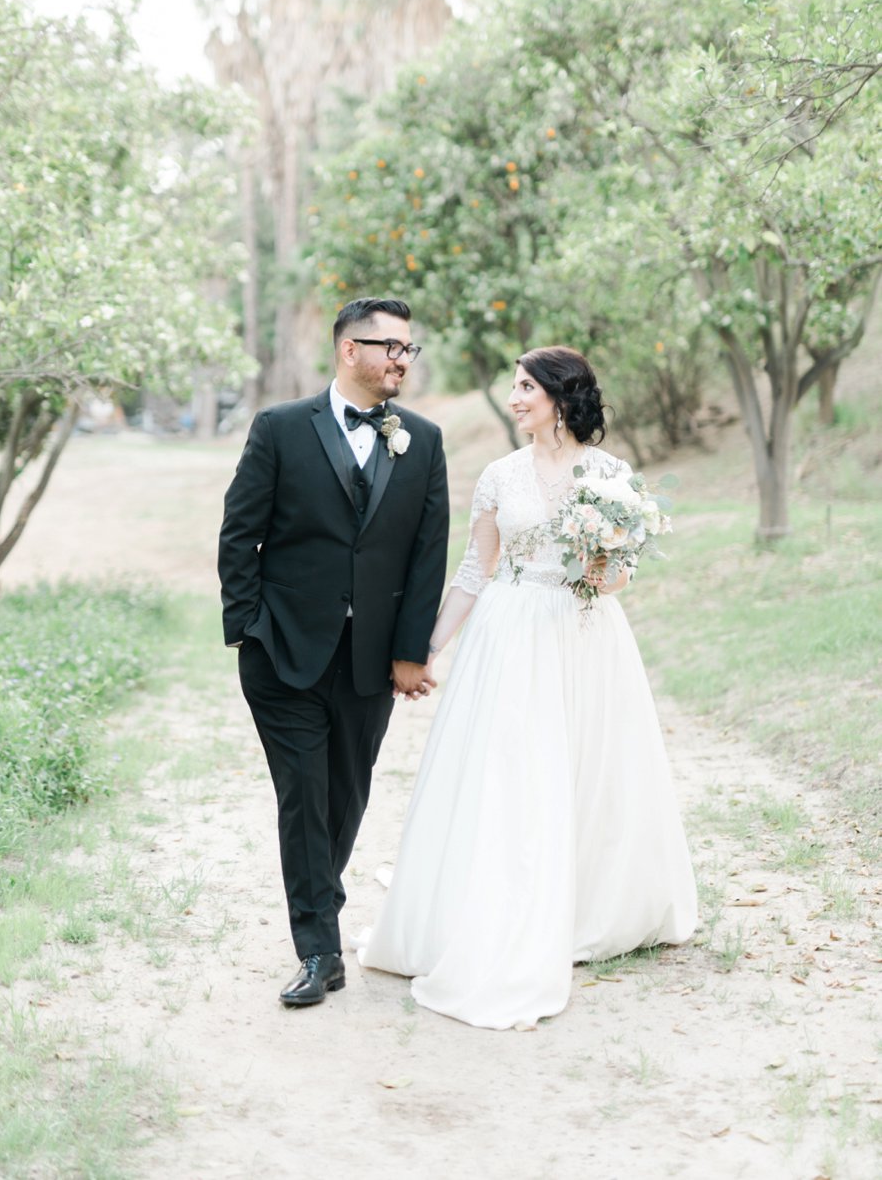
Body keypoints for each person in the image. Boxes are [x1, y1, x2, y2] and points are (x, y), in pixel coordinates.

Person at [357, 346, 697, 1030]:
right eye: (512, 386)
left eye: (523, 387)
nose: (513, 398)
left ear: (560, 396)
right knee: (515, 773)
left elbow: (619, 572)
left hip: (584, 634)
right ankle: (509, 903)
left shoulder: (609, 475)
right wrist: (422, 649)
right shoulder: (498, 476)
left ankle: (589, 904)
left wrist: (605, 569)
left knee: (589, 766)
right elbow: (474, 573)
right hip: (511, 638)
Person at [218, 297, 449, 1008]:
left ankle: (322, 898)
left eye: (409, 349)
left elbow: (426, 554)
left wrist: (412, 651)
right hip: (281, 651)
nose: (401, 359)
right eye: (390, 346)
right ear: (349, 349)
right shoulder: (282, 428)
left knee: (344, 793)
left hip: (372, 661)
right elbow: (239, 534)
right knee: (301, 798)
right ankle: (319, 947)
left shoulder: (424, 439)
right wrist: (247, 626)